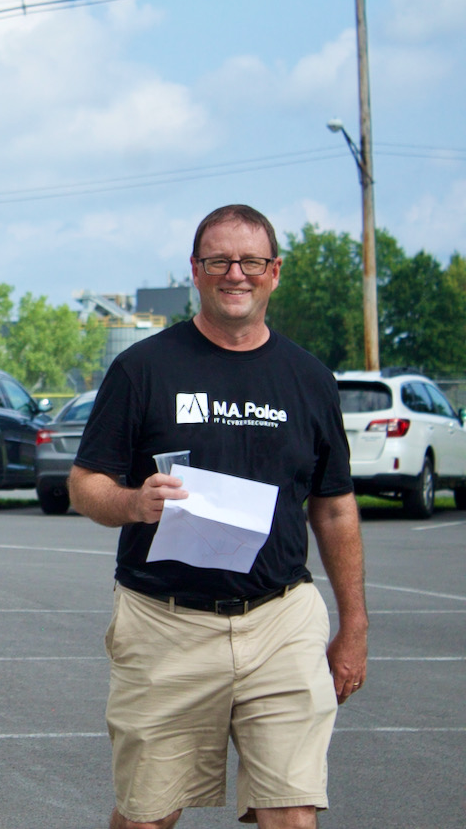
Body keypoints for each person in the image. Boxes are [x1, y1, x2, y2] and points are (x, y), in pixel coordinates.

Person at [68, 204, 368, 829]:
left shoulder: (309, 378)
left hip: (281, 620)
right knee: (148, 813)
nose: (236, 273)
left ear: (274, 271)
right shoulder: (143, 369)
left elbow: (334, 505)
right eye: (219, 261)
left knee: (291, 809)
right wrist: (132, 502)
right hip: (165, 622)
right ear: (196, 272)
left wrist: (355, 625)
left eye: (251, 261)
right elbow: (84, 483)